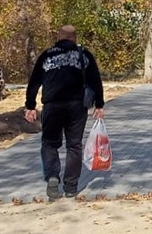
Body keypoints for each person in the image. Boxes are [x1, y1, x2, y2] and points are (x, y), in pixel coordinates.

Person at [24, 25, 104, 200]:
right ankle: (71, 187)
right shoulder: (84, 55)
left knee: (49, 143)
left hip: (52, 106)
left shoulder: (47, 55)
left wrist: (30, 105)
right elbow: (95, 80)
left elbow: (34, 82)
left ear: (59, 37)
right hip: (77, 106)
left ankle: (53, 176)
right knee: (74, 145)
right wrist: (99, 104)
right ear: (74, 38)